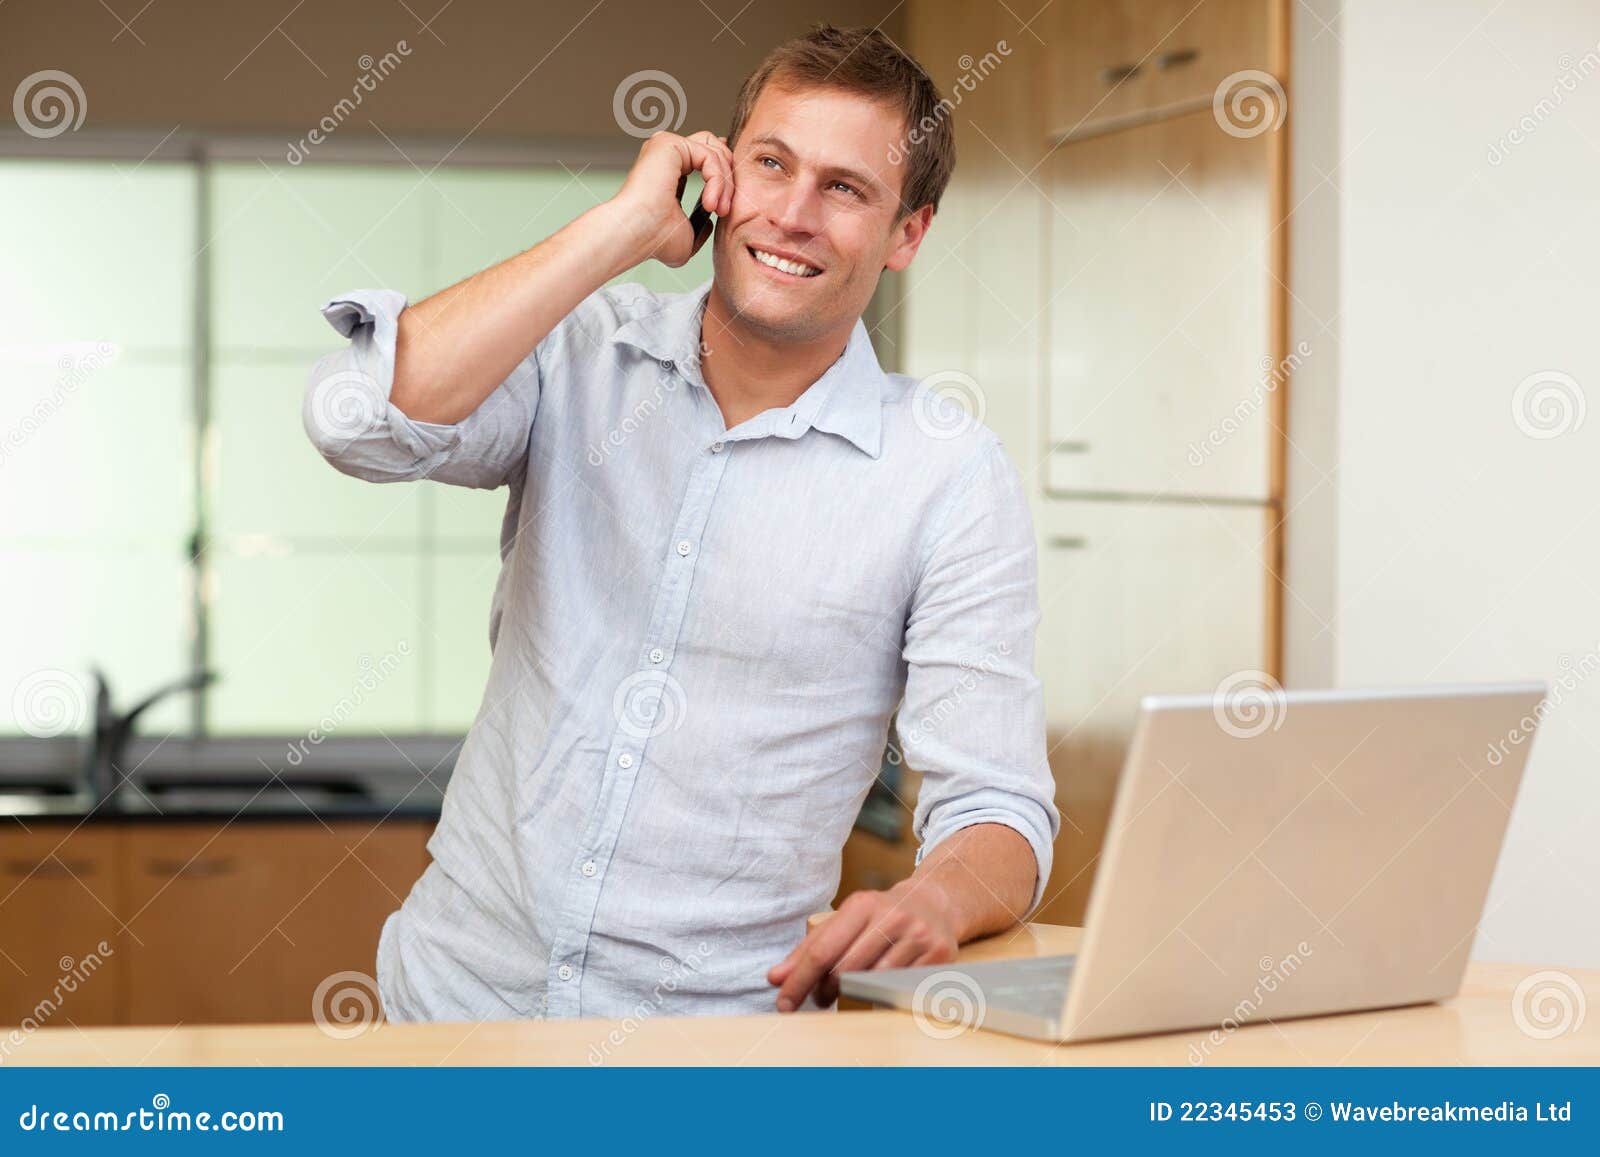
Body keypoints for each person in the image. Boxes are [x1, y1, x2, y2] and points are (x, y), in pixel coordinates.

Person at [304, 23, 1058, 1022]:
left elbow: (1000, 807)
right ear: (718, 173)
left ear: (906, 234)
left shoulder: (947, 475)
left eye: (844, 188)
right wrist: (619, 228)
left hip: (715, 1049)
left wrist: (933, 897)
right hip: (448, 1010)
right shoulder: (578, 352)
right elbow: (359, 422)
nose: (791, 214)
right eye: (772, 163)